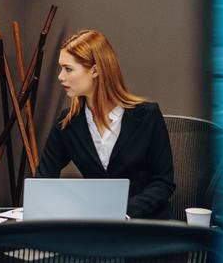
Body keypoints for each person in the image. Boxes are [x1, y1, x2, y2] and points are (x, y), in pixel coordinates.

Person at [36, 29, 175, 219]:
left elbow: (163, 183)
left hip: (145, 225)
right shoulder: (68, 122)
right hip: (97, 228)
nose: (60, 76)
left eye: (68, 69)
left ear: (95, 70)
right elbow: (43, 182)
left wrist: (123, 213)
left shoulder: (148, 116)